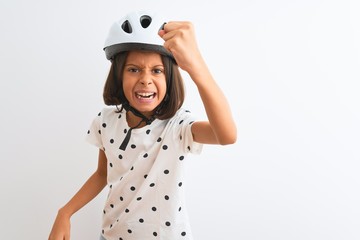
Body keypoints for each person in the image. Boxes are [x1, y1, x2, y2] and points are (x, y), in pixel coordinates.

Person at [48, 11, 237, 240]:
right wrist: (65, 212)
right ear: (119, 76)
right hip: (110, 235)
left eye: (156, 71)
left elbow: (226, 135)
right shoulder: (106, 121)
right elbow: (102, 174)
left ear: (169, 77)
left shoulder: (177, 126)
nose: (145, 79)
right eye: (133, 69)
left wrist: (196, 66)